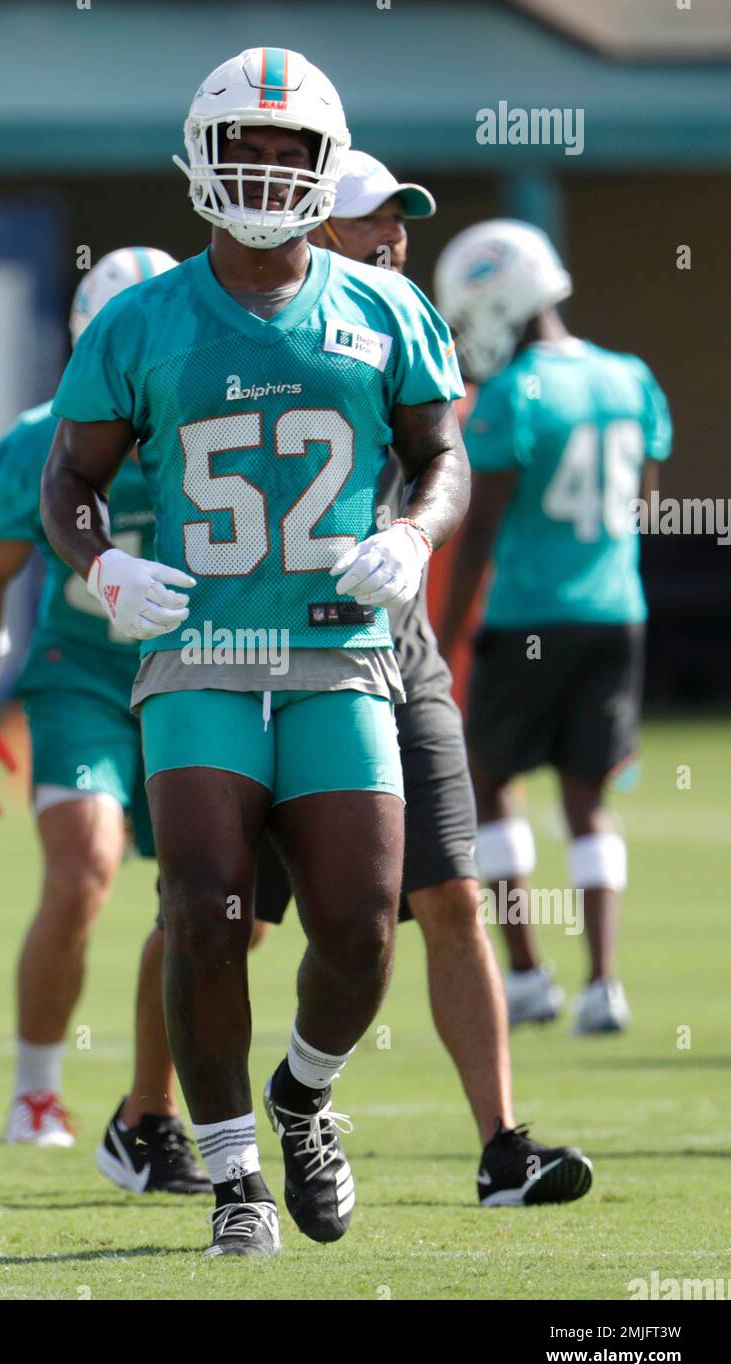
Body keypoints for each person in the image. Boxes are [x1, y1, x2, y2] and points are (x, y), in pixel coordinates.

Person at [41, 47, 469, 1258]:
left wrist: (412, 531)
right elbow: (68, 480)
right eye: (249, 146)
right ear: (201, 158)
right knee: (200, 901)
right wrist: (104, 565)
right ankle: (233, 1172)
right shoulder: (142, 317)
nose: (271, 169)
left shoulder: (385, 306)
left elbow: (442, 453)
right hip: (200, 650)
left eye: (294, 151)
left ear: (326, 167)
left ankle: (302, 1096)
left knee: (359, 921)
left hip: (338, 648)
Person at [251, 152, 593, 1204]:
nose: (393, 238)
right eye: (369, 220)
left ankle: (501, 1148)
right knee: (224, 915)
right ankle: (159, 1116)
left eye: (401, 219)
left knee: (449, 891)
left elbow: (446, 466)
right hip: (262, 653)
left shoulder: (411, 329)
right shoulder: (252, 330)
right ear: (308, 226)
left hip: (395, 648)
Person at [0, 247, 213, 1191]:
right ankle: (35, 1088)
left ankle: (154, 1108)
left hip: (201, 672)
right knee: (82, 873)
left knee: (216, 903)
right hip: (82, 677)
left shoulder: (221, 410)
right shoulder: (40, 438)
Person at [435, 219, 671, 1034]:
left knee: (490, 779)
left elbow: (479, 533)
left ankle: (530, 975)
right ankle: (604, 982)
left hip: (529, 614)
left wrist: (442, 632)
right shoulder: (628, 376)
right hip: (615, 612)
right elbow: (641, 495)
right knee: (586, 798)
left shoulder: (510, 397)